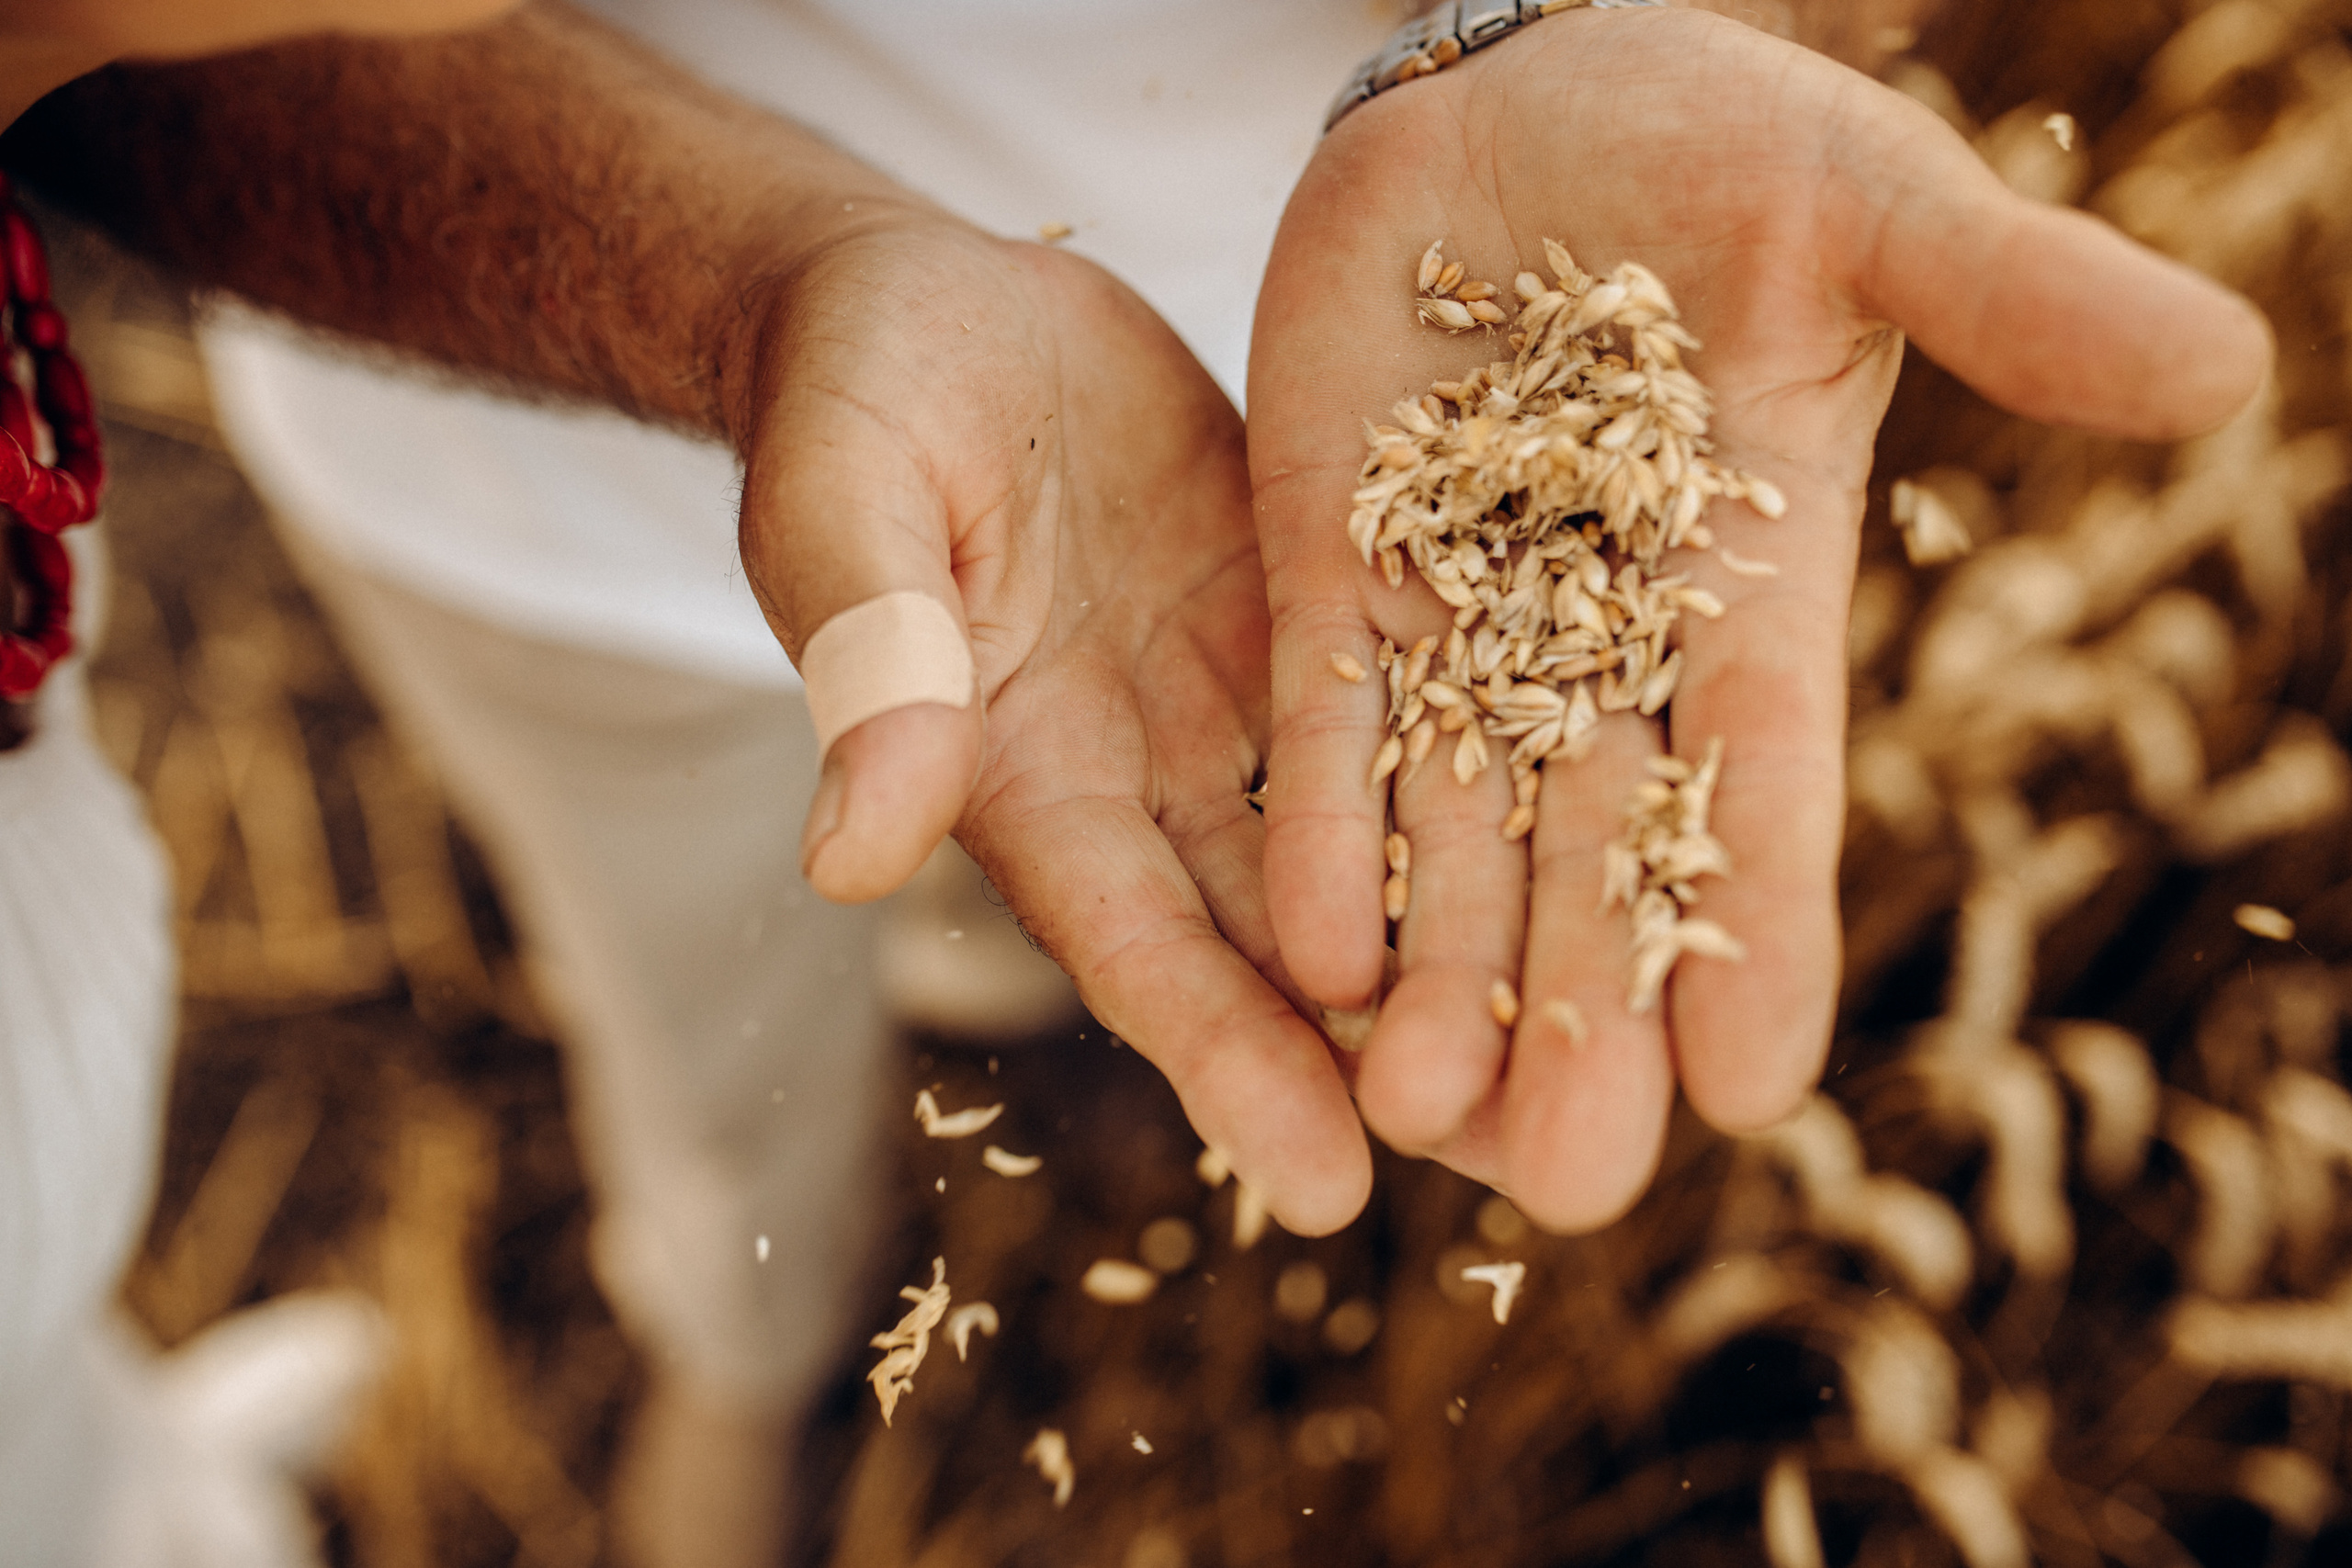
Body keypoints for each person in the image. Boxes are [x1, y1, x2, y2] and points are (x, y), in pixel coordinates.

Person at [0, 0, 2269, 1562]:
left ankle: (966, 1006)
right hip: (538, 499)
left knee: (1131, 868)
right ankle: (739, 1320)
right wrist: (754, 287)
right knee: (699, 1006)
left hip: (1305, 461)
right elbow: (84, 67)